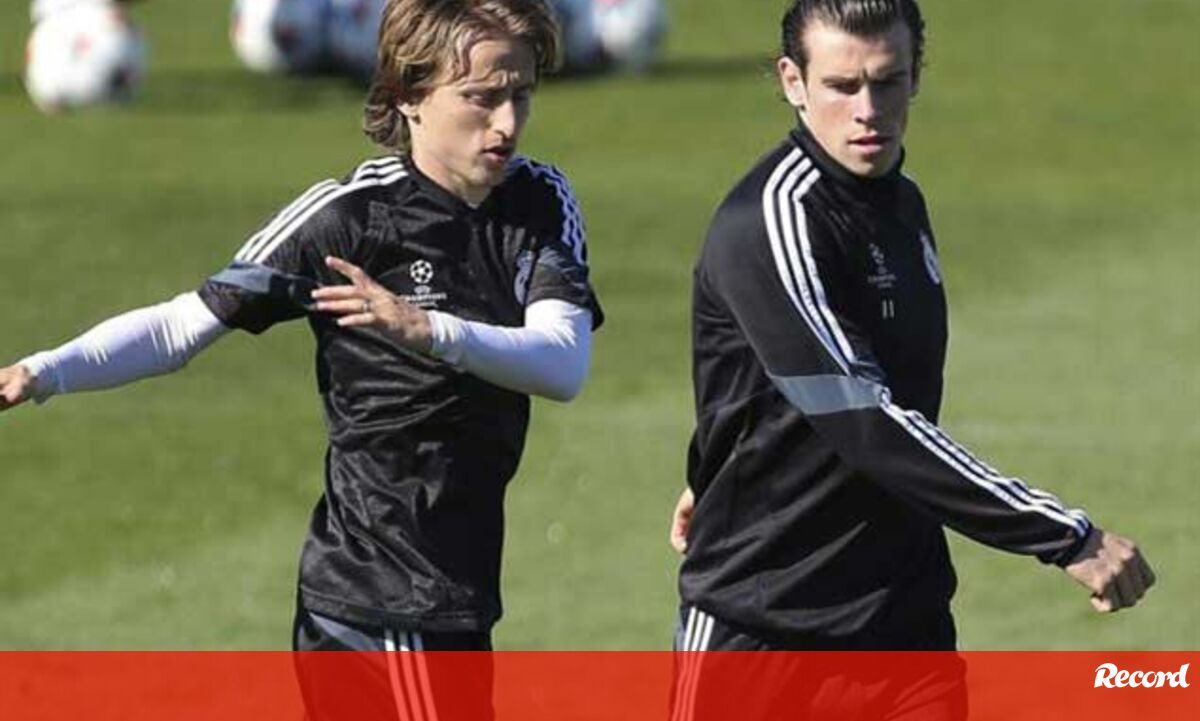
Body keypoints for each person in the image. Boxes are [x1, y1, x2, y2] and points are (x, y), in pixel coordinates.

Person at [2, 0, 601, 717]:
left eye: (521, 95)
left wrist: (428, 329)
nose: (506, 123)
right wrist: (46, 370)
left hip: (449, 590)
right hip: (380, 595)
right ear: (409, 95)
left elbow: (562, 363)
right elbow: (180, 327)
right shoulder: (348, 219)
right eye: (481, 98)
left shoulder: (538, 202)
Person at [668, 0, 1153, 717]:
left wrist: (707, 471)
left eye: (888, 81)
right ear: (793, 81)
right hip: (764, 627)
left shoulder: (900, 203)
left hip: (903, 626)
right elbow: (865, 418)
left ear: (916, 75)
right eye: (841, 86)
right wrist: (1063, 535)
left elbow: (779, 377)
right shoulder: (773, 220)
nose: (868, 110)